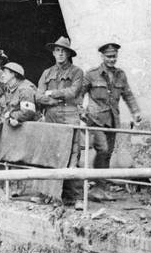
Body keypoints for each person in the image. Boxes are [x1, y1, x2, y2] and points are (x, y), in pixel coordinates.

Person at [82, 43, 143, 185]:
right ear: (102, 56)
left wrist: (136, 111)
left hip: (112, 119)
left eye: (114, 56)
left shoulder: (120, 75)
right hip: (95, 118)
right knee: (102, 149)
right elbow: (80, 94)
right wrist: (81, 112)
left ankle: (101, 186)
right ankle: (97, 183)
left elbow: (128, 95)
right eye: (108, 57)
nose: (111, 59)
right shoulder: (91, 74)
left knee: (108, 152)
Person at [36, 36, 84, 201]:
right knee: (50, 154)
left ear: (69, 53)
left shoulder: (77, 72)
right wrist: (52, 100)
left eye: (63, 51)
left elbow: (73, 92)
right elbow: (38, 96)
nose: (60, 54)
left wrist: (54, 93)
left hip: (69, 115)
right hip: (51, 116)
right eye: (57, 50)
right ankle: (48, 194)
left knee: (73, 155)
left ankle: (75, 197)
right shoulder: (47, 73)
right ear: (54, 53)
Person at [0, 61, 39, 126]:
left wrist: (10, 115)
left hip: (32, 126)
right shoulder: (10, 87)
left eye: (5, 73)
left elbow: (28, 113)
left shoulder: (25, 89)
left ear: (13, 74)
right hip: (16, 124)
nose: (2, 75)